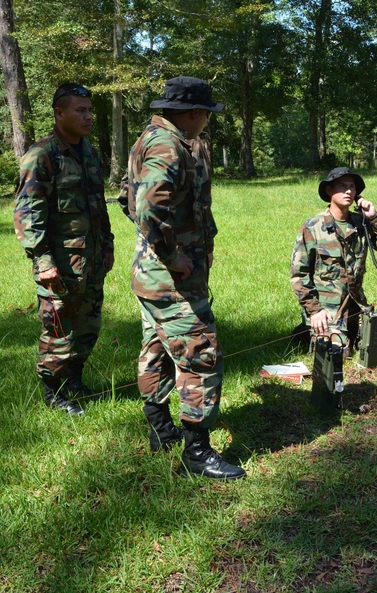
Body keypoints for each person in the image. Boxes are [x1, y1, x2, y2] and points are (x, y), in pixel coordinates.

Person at [125, 76, 245, 481]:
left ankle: (161, 430)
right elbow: (146, 205)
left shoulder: (153, 138)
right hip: (170, 279)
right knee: (200, 355)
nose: (206, 122)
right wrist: (173, 254)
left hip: (152, 274)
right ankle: (196, 451)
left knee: (156, 347)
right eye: (207, 115)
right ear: (194, 113)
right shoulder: (167, 144)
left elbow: (128, 193)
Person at [13, 82, 114, 416]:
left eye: (89, 111)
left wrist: (108, 246)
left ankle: (74, 381)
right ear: (59, 114)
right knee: (59, 327)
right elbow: (27, 213)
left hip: (91, 258)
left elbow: (99, 205)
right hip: (59, 262)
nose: (88, 117)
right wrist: (42, 262)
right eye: (80, 111)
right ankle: (53, 391)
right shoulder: (42, 155)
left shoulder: (89, 152)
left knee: (88, 325)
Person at [290, 167, 377, 351]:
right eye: (342, 186)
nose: (348, 191)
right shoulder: (313, 227)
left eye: (352, 187)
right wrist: (315, 310)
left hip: (356, 306)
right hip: (326, 310)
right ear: (329, 190)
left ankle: (310, 332)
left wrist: (373, 216)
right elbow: (299, 275)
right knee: (338, 352)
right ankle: (309, 328)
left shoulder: (360, 223)